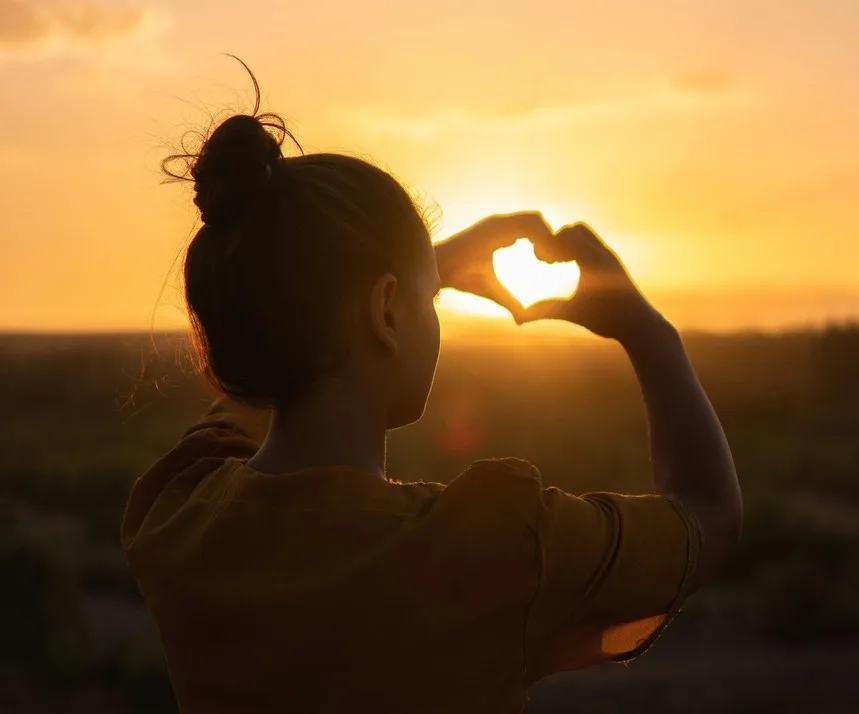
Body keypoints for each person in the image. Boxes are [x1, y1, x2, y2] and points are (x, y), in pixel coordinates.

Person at [121, 70, 742, 714]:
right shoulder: (495, 550)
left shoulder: (178, 517)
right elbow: (711, 521)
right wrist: (649, 330)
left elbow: (266, 373)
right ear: (386, 312)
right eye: (428, 298)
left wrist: (409, 271)